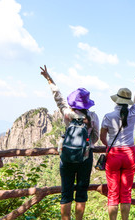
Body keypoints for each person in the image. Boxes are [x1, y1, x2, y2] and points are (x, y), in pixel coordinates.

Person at [40, 65, 99, 220]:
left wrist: (49, 79)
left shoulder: (68, 114)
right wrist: (88, 145)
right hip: (85, 157)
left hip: (67, 156)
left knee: (66, 193)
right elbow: (96, 137)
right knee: (81, 192)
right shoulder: (92, 116)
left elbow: (58, 98)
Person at [100, 67, 135, 220]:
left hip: (114, 155)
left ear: (117, 99)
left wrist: (109, 146)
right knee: (126, 193)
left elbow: (102, 137)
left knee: (113, 194)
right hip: (129, 155)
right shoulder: (133, 113)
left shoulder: (108, 116)